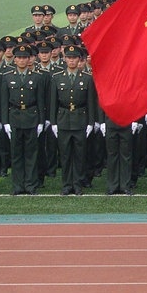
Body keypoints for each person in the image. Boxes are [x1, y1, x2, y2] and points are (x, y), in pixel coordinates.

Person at [50, 45, 97, 195]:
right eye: (69, 58)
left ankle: (77, 184)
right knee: (64, 155)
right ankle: (66, 184)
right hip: (63, 119)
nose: (71, 61)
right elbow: (53, 103)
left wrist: (91, 122)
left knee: (79, 155)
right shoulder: (57, 78)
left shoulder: (87, 79)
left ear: (79, 60)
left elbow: (91, 102)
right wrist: (53, 122)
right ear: (64, 59)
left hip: (80, 119)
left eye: (74, 58)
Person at [0, 45, 47, 195]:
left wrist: (41, 121)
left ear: (29, 59)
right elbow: (4, 102)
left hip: (31, 117)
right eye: (19, 57)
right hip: (14, 118)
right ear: (15, 59)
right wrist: (5, 122)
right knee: (16, 154)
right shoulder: (7, 77)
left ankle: (31, 185)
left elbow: (41, 102)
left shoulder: (36, 77)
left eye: (24, 57)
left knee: (31, 154)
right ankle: (18, 185)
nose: (21, 60)